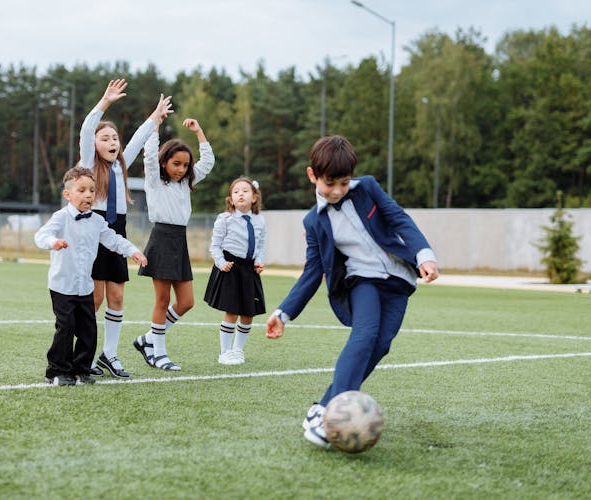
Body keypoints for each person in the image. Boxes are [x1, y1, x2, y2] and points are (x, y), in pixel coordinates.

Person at [265, 135, 439, 448]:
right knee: (365, 334)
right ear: (312, 175)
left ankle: (321, 408)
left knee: (381, 344)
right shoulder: (313, 223)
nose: (338, 191)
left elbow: (398, 218)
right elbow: (311, 273)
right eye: (330, 183)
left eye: (344, 183)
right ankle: (335, 416)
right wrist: (283, 312)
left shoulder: (368, 188)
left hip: (398, 281)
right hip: (362, 282)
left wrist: (423, 255)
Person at [78, 79, 172, 378]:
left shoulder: (120, 164)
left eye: (114, 138)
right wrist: (104, 102)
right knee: (94, 298)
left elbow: (139, 139)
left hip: (117, 230)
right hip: (93, 230)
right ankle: (84, 355)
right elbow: (85, 130)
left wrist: (155, 116)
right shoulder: (88, 163)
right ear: (94, 144)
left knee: (117, 297)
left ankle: (110, 354)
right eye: (104, 138)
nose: (112, 142)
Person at [35, 167, 146, 386]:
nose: (88, 195)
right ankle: (57, 371)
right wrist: (53, 243)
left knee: (88, 330)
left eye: (92, 190)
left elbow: (113, 239)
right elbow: (41, 235)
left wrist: (133, 250)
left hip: (85, 286)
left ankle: (82, 369)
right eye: (82, 190)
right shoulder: (60, 218)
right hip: (62, 286)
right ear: (68, 194)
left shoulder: (96, 221)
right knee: (65, 328)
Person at [132, 117, 215, 371]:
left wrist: (199, 131)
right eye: (175, 163)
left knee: (187, 301)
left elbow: (208, 163)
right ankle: (158, 353)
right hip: (161, 239)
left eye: (185, 165)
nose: (180, 169)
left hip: (179, 242)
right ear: (164, 162)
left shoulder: (186, 183)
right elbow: (148, 157)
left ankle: (148, 339)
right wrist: (155, 126)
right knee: (162, 299)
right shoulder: (155, 181)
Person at [204, 176, 267, 365]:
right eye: (236, 191)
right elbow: (215, 246)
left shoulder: (260, 220)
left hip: (249, 269)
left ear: (254, 198)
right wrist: (221, 262)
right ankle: (225, 352)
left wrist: (259, 261)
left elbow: (261, 245)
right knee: (231, 311)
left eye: (245, 191)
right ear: (231, 199)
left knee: (248, 313)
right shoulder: (225, 219)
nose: (241, 194)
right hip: (230, 267)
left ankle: (238, 350)